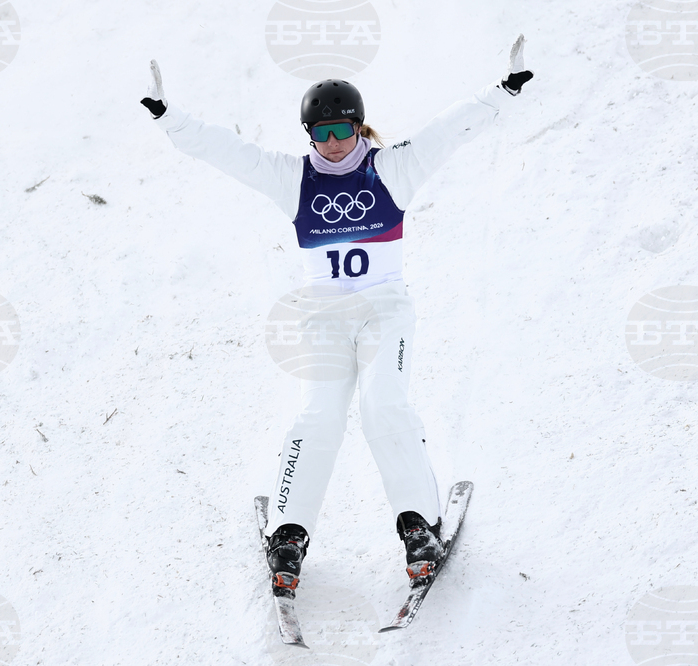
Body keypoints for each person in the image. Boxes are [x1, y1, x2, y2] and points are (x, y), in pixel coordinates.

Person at [141, 37, 534, 596]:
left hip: (384, 312)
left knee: (383, 407)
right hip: (323, 318)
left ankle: (419, 528)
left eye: (341, 131)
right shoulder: (291, 178)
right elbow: (227, 151)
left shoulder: (393, 168)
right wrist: (167, 117)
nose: (330, 143)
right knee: (317, 417)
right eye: (320, 134)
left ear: (359, 127)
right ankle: (288, 535)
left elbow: (451, 129)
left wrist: (504, 89)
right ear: (309, 137)